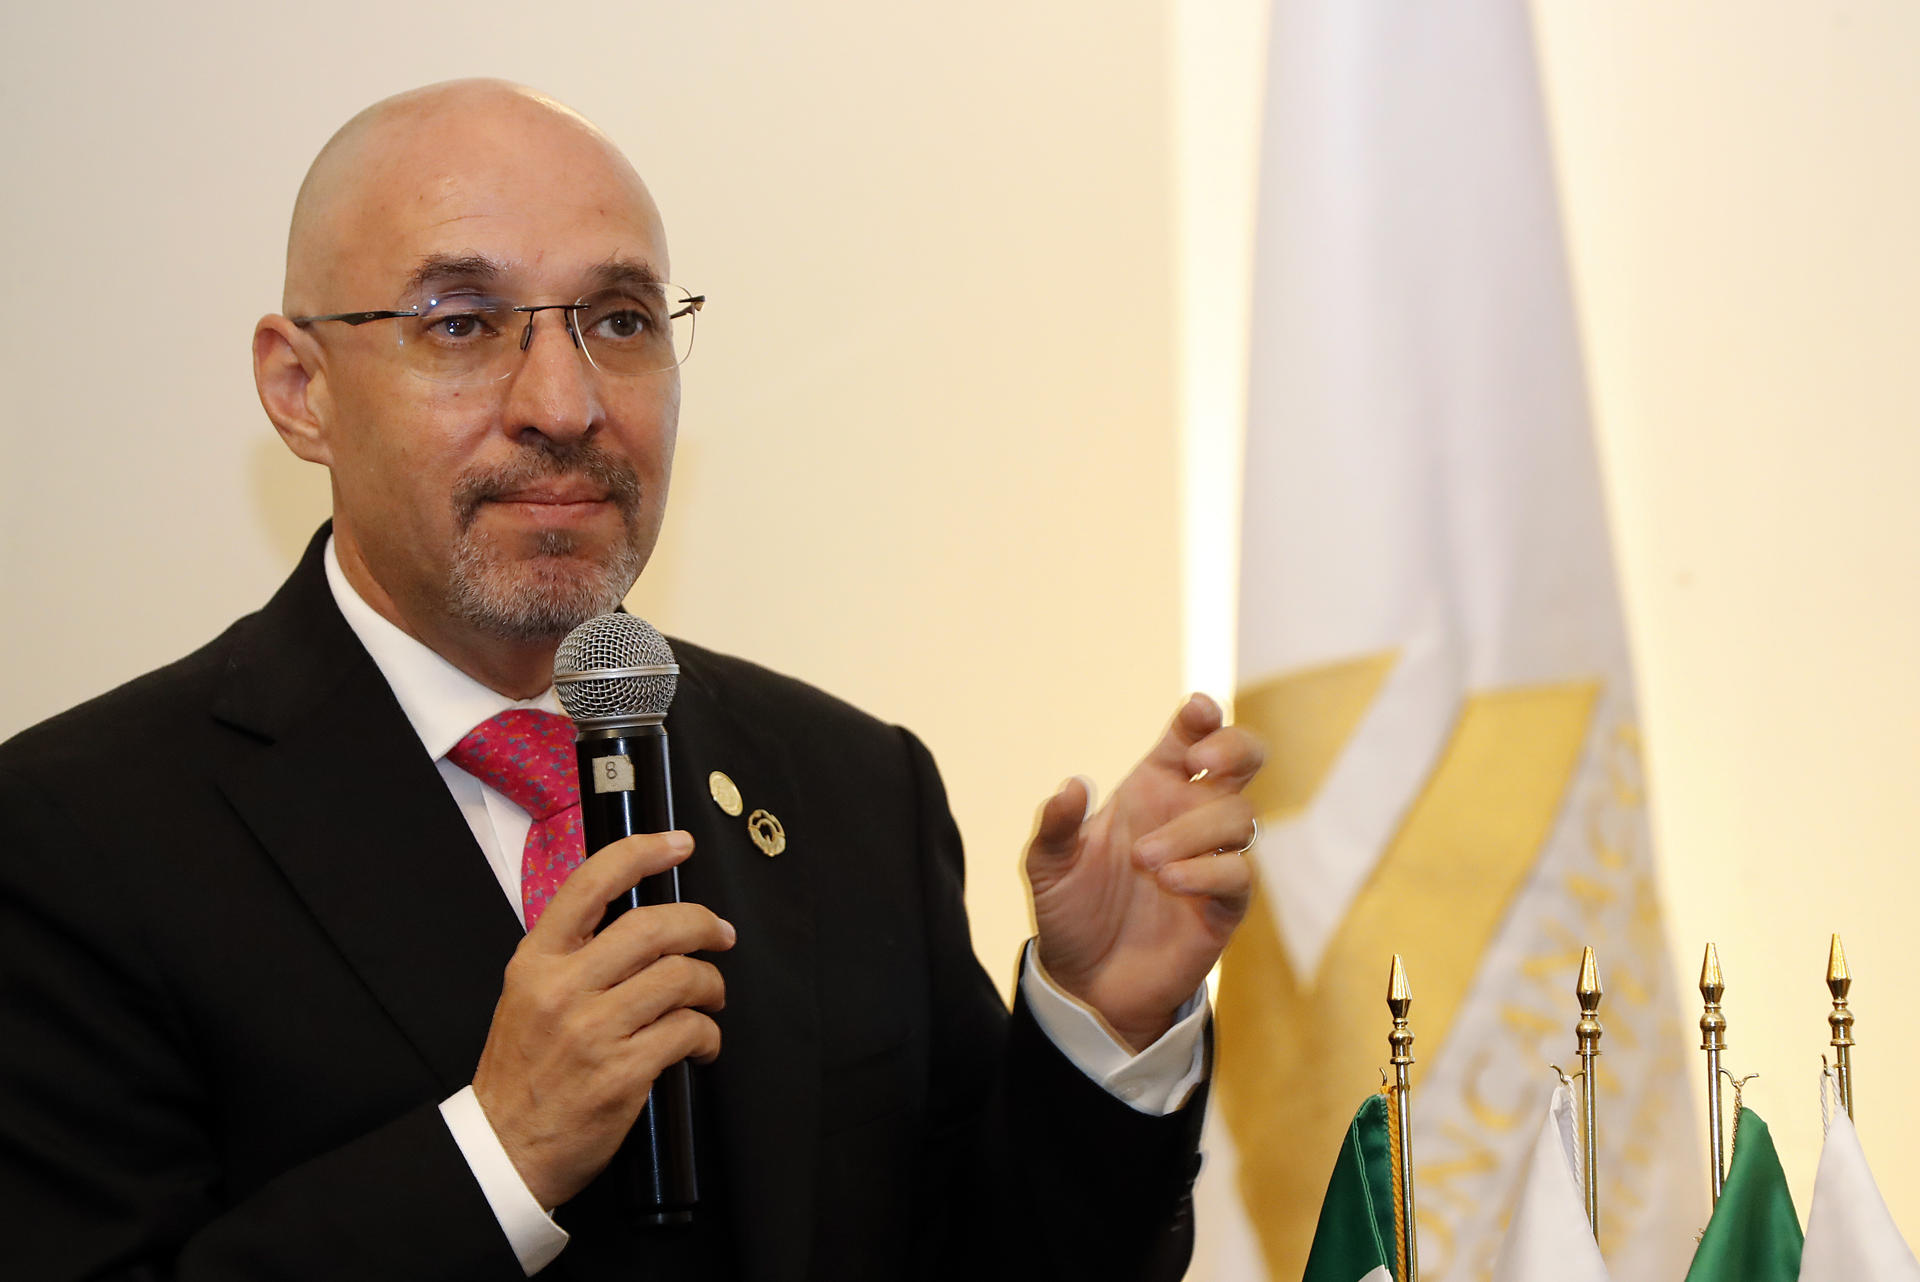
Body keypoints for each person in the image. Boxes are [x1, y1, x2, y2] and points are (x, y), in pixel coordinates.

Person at [0, 81, 1262, 1281]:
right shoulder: (75, 838)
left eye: (618, 322)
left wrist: (1101, 1026)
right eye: (461, 323)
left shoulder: (846, 785)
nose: (564, 403)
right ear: (301, 390)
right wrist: (499, 1153)